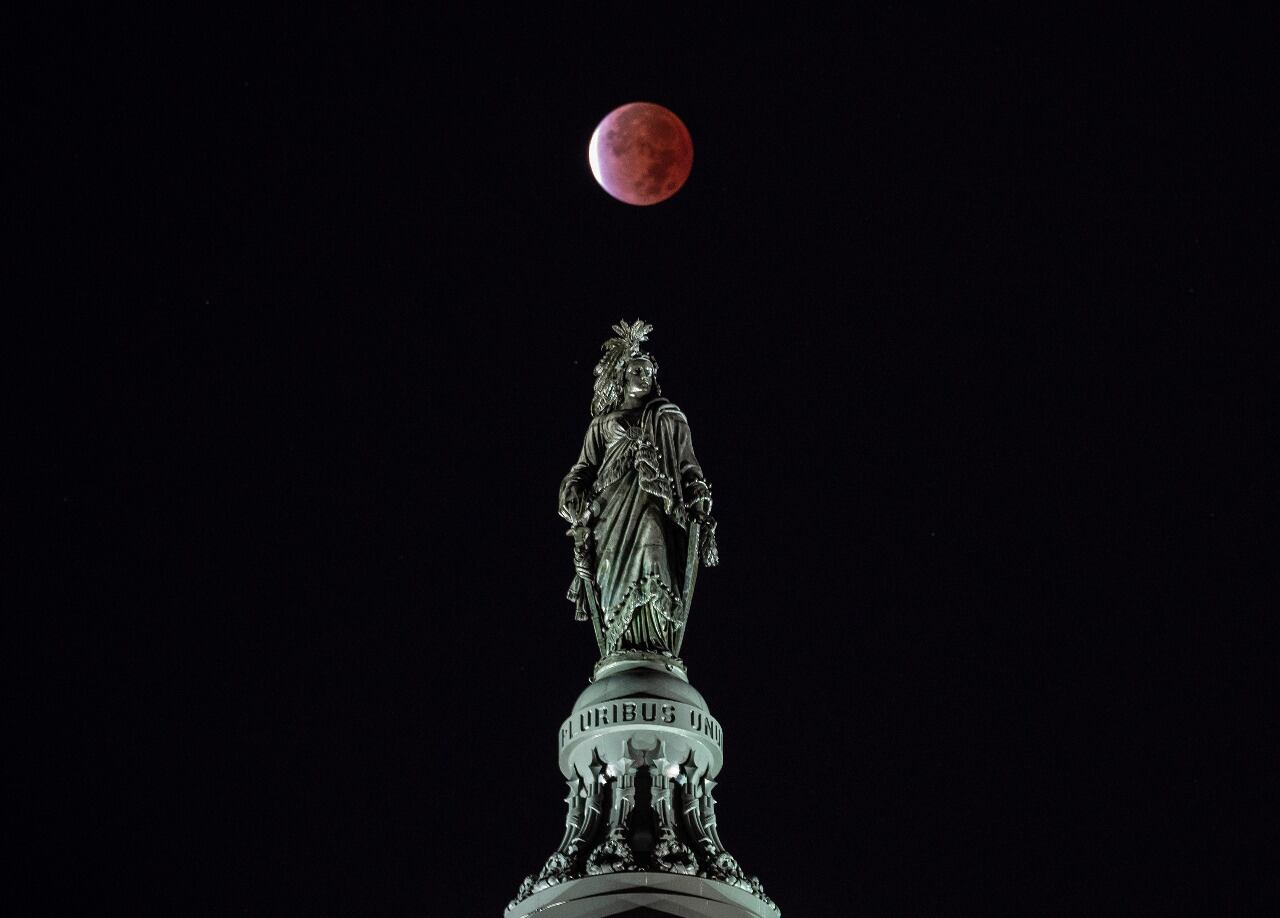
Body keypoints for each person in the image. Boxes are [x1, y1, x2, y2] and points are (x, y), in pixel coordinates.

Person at [558, 321, 718, 658]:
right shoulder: (601, 425)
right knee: (611, 577)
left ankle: (657, 645)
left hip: (656, 502)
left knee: (652, 540)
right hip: (608, 514)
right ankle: (619, 647)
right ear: (621, 377)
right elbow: (583, 469)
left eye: (647, 371)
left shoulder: (669, 418)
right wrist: (573, 498)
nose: (642, 376)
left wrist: (699, 501)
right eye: (635, 370)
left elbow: (689, 467)